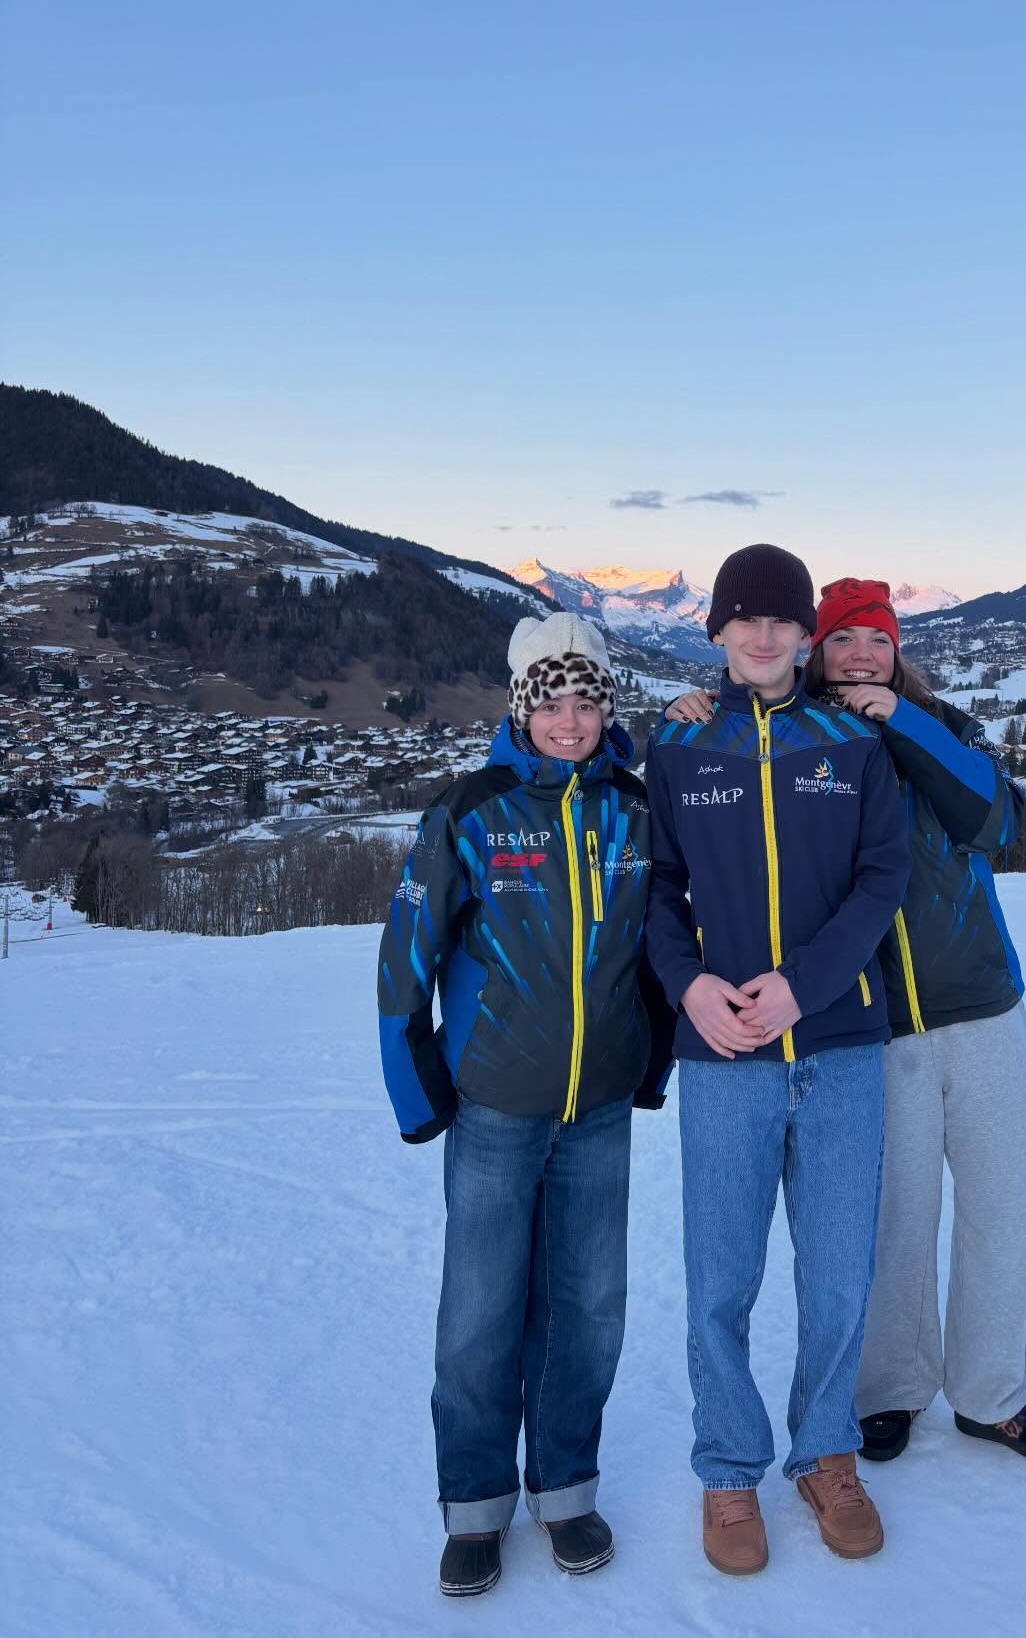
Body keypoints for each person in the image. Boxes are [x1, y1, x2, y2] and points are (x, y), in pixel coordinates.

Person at [665, 576, 1026, 1468]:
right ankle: (889, 1386)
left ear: (898, 651)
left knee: (1007, 1203)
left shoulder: (940, 726)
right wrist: (689, 709)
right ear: (815, 651)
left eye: (878, 641)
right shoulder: (812, 736)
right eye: (844, 641)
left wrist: (906, 721)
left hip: (980, 1002)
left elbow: (997, 819)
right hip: (872, 1017)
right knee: (893, 1220)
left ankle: (995, 1391)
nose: (861, 656)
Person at [377, 610, 673, 1601]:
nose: (571, 720)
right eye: (553, 703)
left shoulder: (634, 810)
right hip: (496, 1111)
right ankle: (473, 1506)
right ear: (521, 708)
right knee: (479, 1316)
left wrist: (652, 1063)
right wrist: (418, 1090)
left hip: (597, 1112)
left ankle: (565, 1488)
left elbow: (662, 950)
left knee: (588, 1310)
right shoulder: (471, 810)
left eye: (588, 701)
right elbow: (405, 958)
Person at [645, 543, 911, 1576]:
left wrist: (808, 984)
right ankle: (727, 1467)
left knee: (839, 1278)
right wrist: (689, 986)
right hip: (723, 1055)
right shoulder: (681, 743)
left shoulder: (851, 741)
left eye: (782, 621)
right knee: (722, 1280)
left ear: (806, 635)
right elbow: (655, 885)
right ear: (717, 631)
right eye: (744, 619)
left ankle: (826, 1453)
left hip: (838, 1047)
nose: (763, 637)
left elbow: (881, 879)